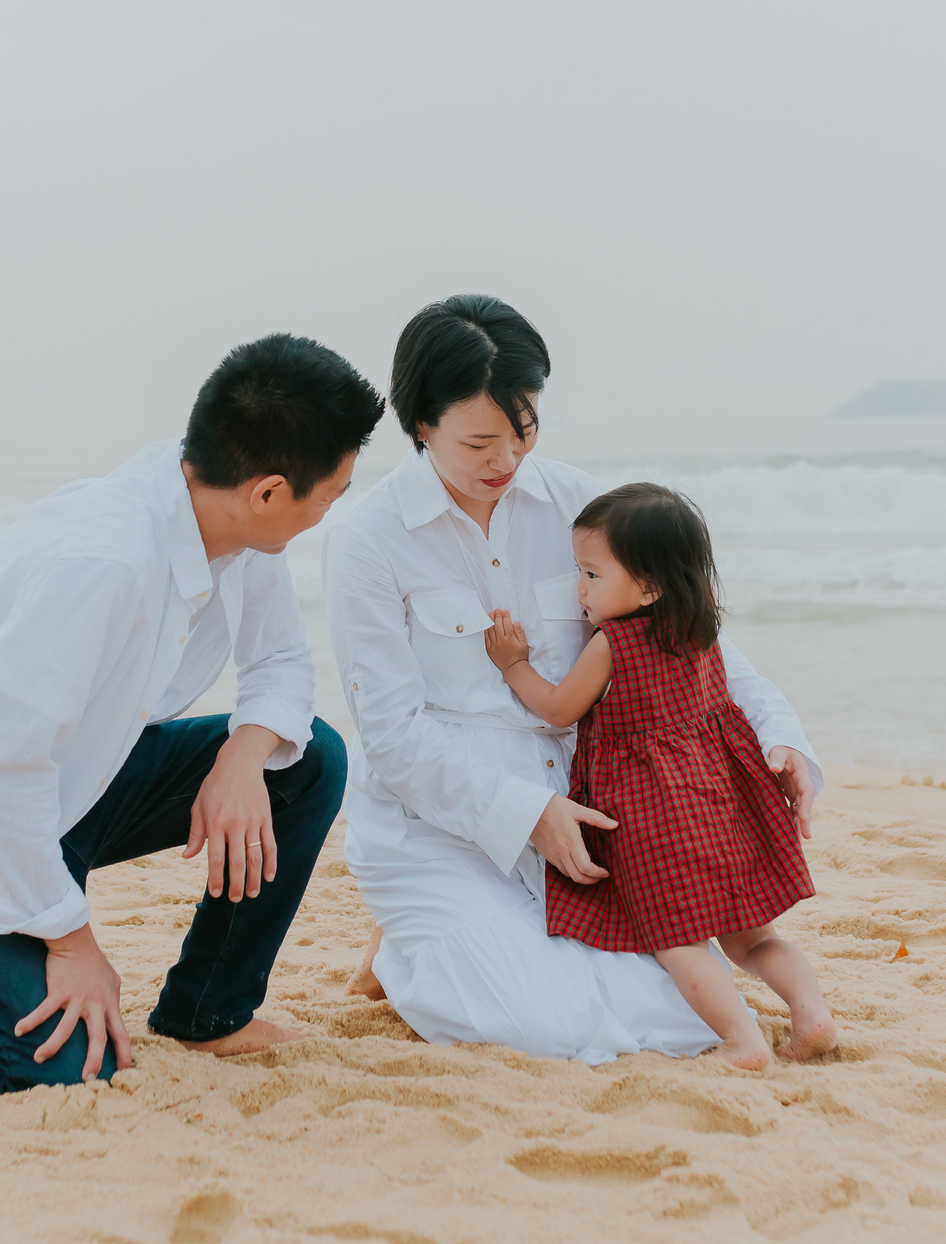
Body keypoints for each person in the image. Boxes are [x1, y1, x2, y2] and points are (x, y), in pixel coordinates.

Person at [0, 334, 384, 1092]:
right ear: (268, 491)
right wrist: (72, 942)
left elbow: (282, 664)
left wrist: (242, 758)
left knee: (308, 759)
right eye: (334, 491)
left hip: (73, 781)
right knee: (65, 1065)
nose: (333, 508)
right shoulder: (105, 560)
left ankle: (208, 1013)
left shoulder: (233, 525)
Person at [324, 294, 823, 1064]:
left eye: (524, 430)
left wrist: (783, 741)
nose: (507, 460)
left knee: (683, 1014)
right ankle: (400, 942)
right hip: (443, 813)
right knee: (552, 1025)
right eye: (481, 441)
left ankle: (415, 938)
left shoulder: (576, 502)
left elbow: (693, 640)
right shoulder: (367, 541)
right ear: (421, 424)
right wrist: (527, 814)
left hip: (596, 807)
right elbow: (393, 736)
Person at [484, 482, 836, 1070]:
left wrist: (513, 663)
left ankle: (743, 1042)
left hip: (656, 815)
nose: (578, 589)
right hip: (721, 802)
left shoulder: (612, 644)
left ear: (646, 586)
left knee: (680, 943)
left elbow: (556, 708)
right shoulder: (697, 629)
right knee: (753, 937)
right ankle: (812, 1012)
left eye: (591, 575)